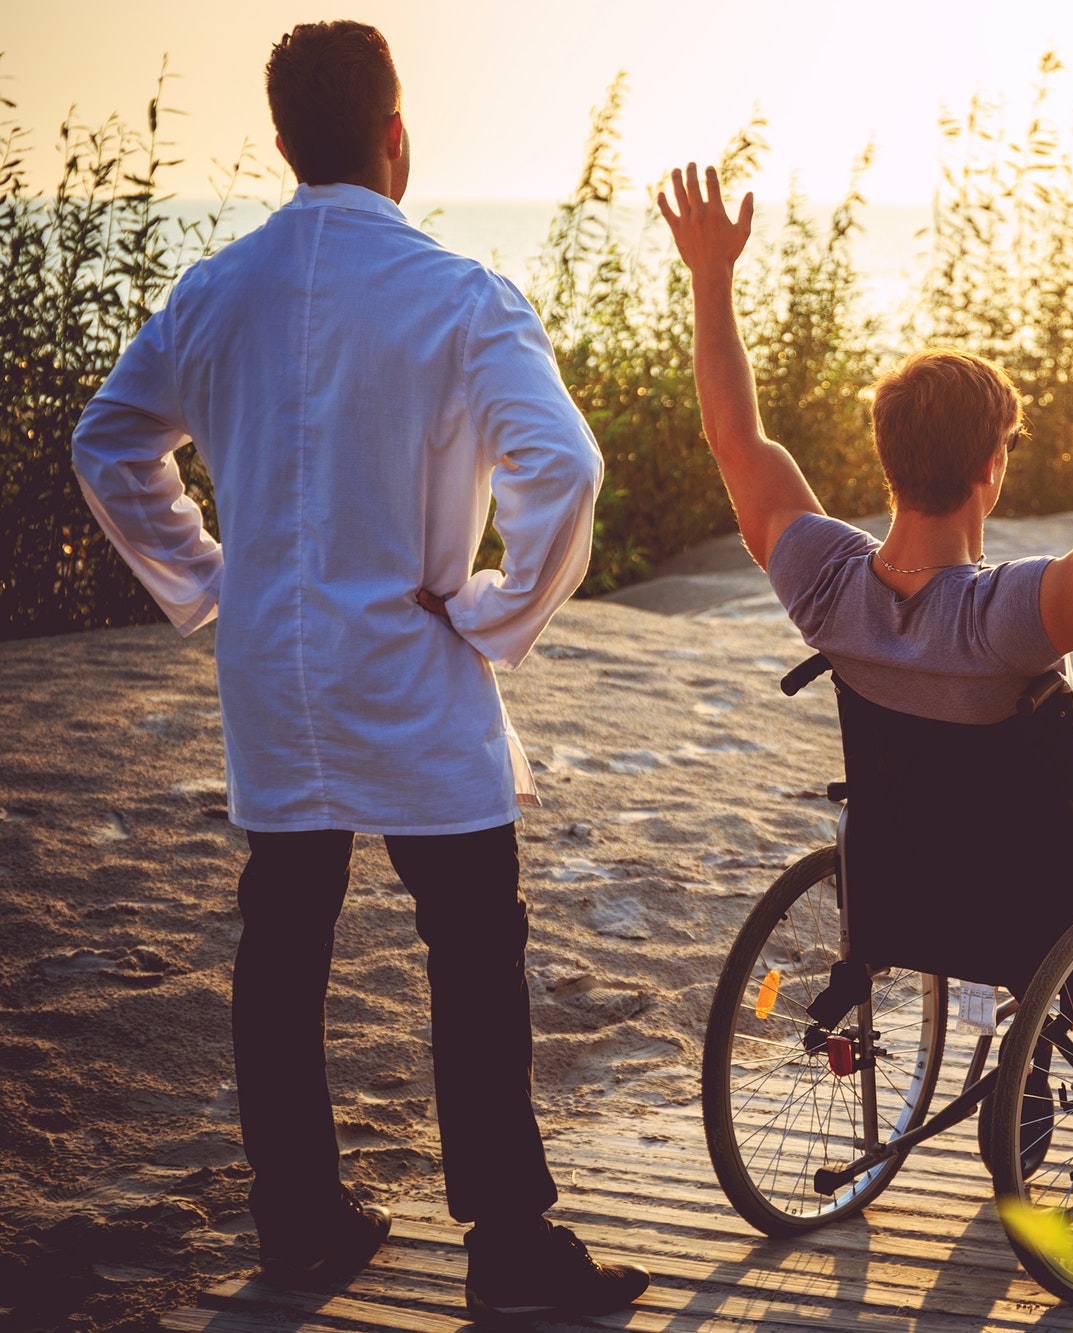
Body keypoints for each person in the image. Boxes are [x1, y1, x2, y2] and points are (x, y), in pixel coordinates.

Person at [70, 21, 647, 1318]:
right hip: (414, 661)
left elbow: (111, 443)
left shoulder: (215, 291)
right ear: (397, 136)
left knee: (283, 939)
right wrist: (498, 613)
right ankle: (507, 1252)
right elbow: (568, 469)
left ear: (282, 143)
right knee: (471, 944)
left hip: (277, 675)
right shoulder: (461, 294)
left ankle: (302, 1222)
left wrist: (209, 580)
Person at [655, 162, 1073, 997]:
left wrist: (711, 278)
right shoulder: (1008, 620)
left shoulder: (824, 589)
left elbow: (734, 439)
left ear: (889, 462)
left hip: (914, 895)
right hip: (1042, 907)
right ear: (993, 466)